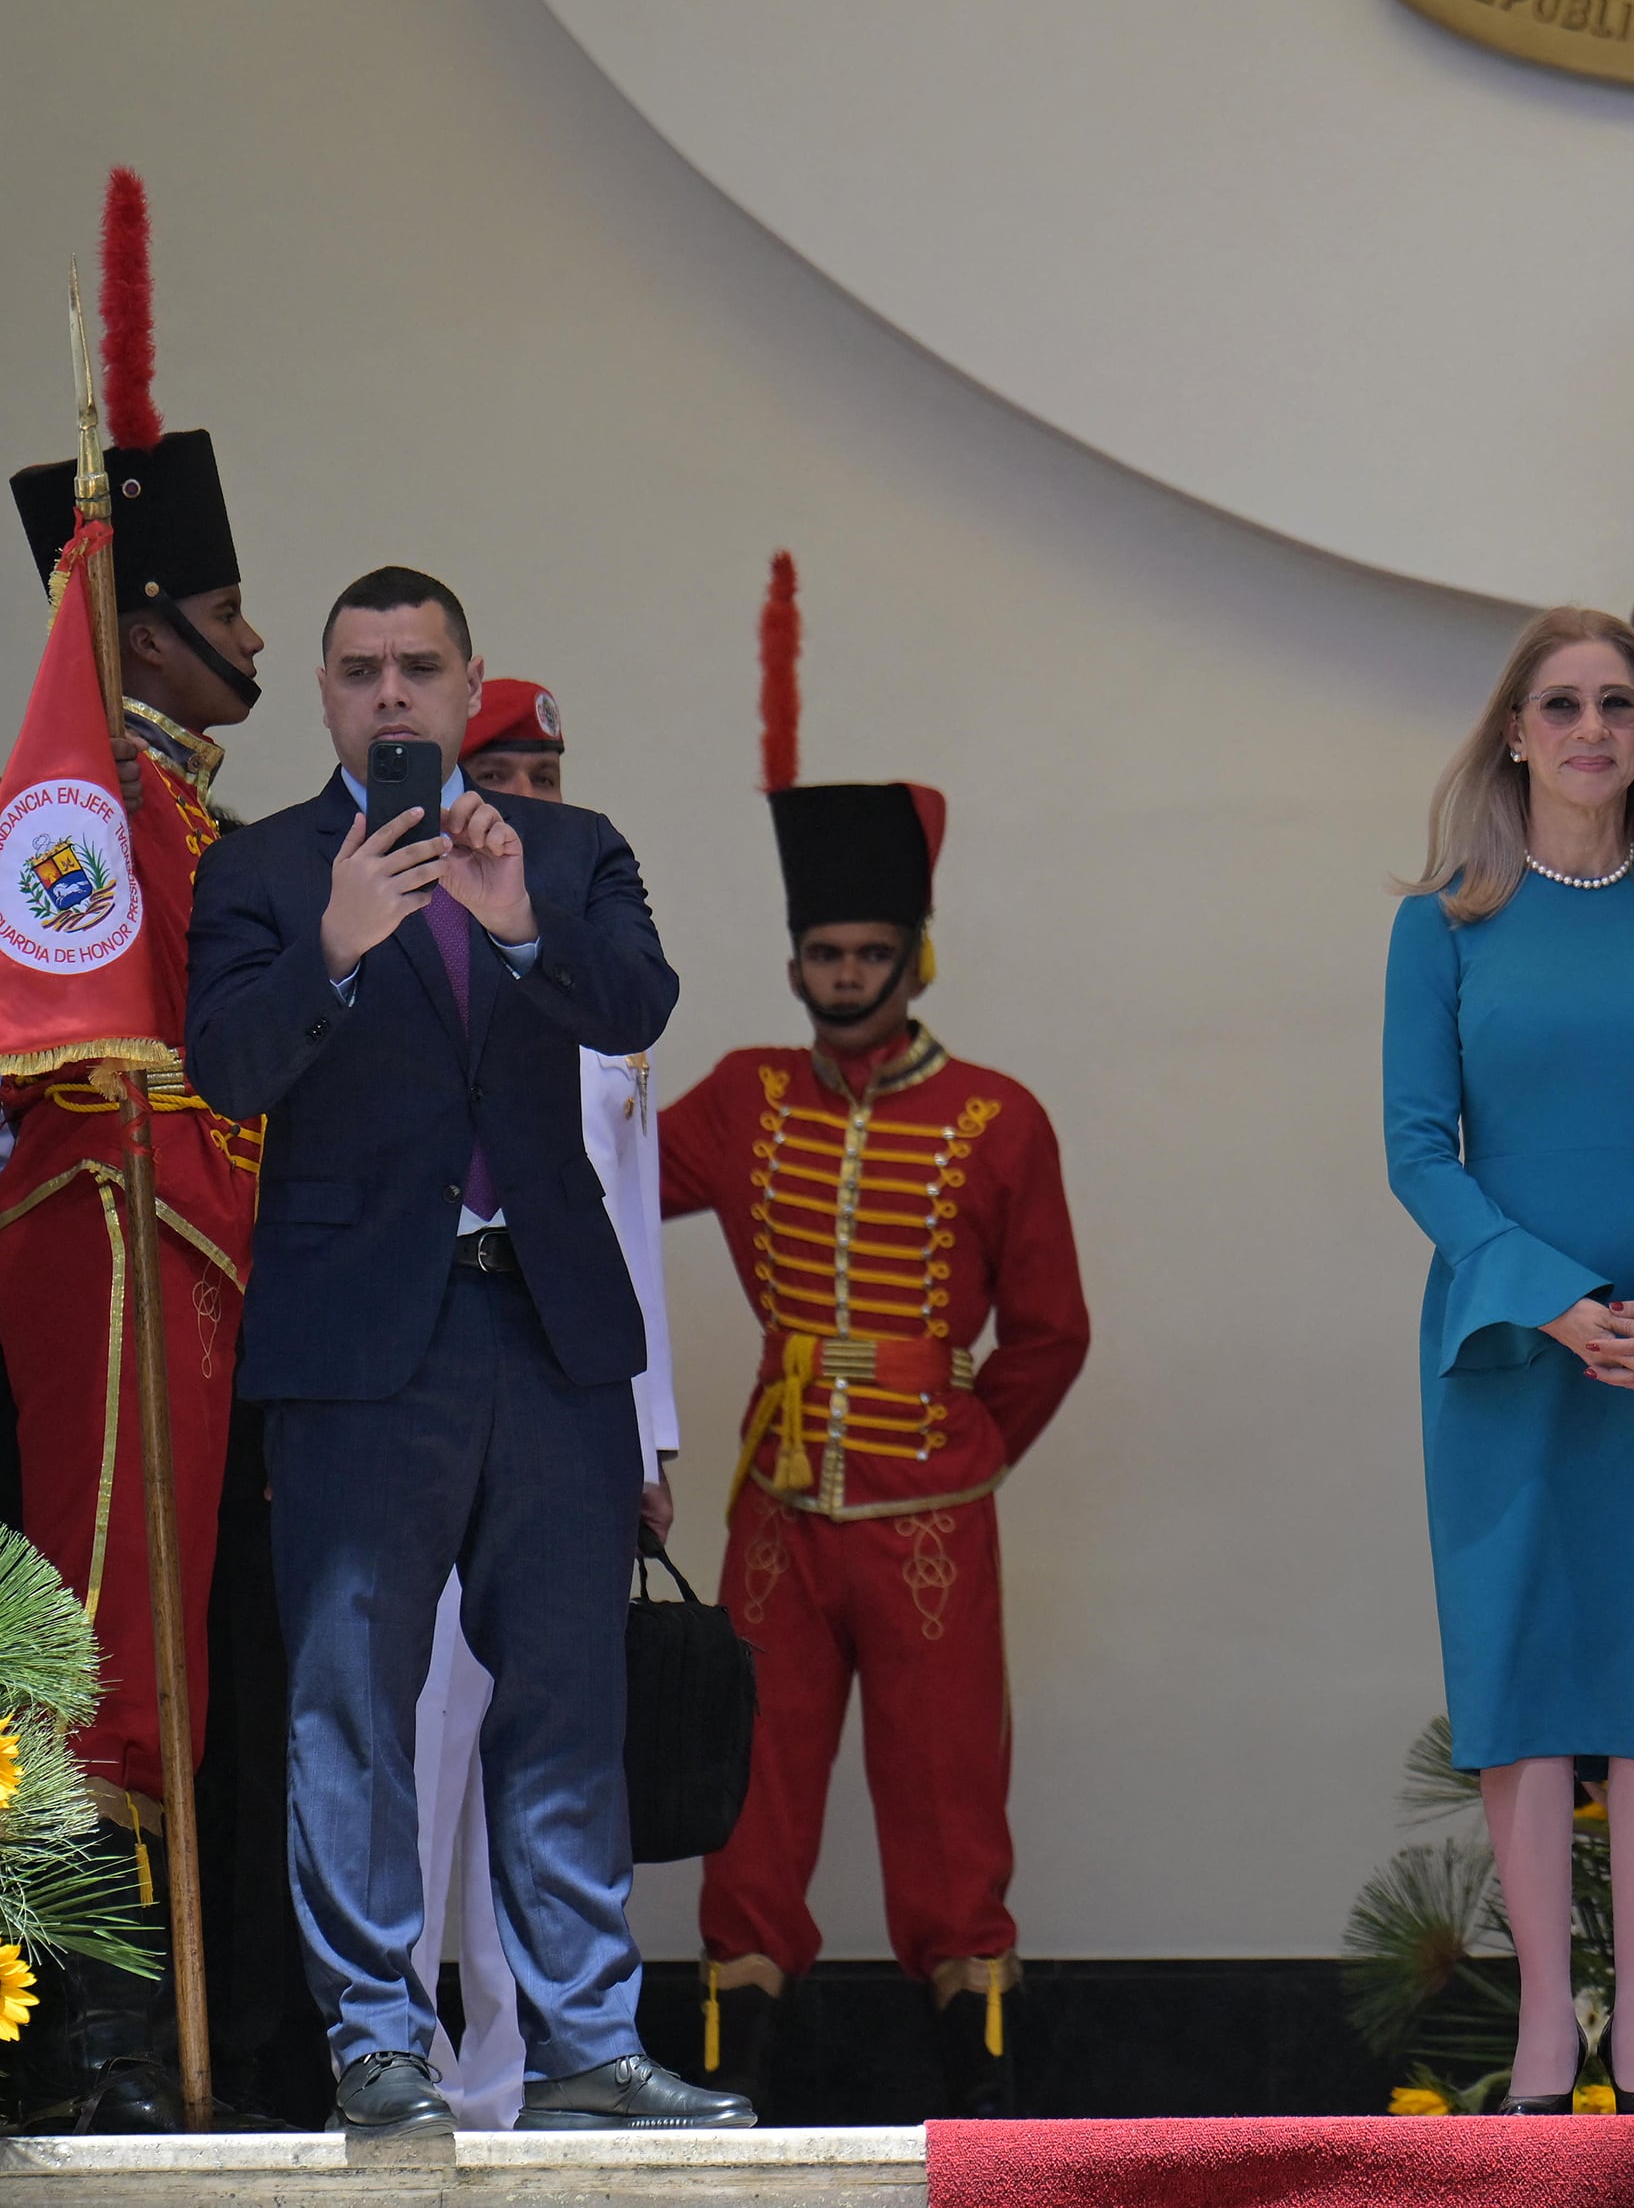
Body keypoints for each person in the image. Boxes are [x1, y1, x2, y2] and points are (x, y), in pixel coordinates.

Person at [182, 567, 741, 2136]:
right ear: (323, 690)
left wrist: (512, 927)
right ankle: (378, 2039)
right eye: (361, 669)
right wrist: (339, 948)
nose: (393, 695)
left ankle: (582, 2044)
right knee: (351, 1699)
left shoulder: (565, 849)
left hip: (547, 1328)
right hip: (362, 1344)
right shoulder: (267, 866)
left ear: (467, 676)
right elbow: (224, 1066)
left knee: (565, 1695)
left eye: (421, 666)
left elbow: (641, 997)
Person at [657, 557, 1089, 2119]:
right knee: (754, 1796)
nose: (844, 979)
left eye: (868, 955)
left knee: (948, 1797)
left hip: (928, 1514)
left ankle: (969, 2065)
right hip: (776, 1503)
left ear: (914, 956)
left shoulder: (997, 1117)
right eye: (822, 956)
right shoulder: (743, 1094)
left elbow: (1049, 1330)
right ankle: (735, 2053)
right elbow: (614, 1191)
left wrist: (966, 1438)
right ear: (795, 960)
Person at [1382, 605, 1634, 2113]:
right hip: (1511, 1348)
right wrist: (1555, 1300)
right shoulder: (1444, 924)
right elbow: (1418, 1149)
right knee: (1527, 1669)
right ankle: (1548, 2017)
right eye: (1560, 704)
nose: (1591, 730)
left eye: (1619, 704)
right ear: (1513, 730)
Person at [0, 169, 268, 2131]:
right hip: (106, 1242)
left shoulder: (190, 816)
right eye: (230, 606)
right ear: (147, 633)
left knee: (169, 1643)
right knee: (96, 1627)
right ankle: (87, 2018)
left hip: (195, 1254)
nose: (252, 634)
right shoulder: (96, 810)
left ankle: (151, 2002)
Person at [406, 677, 681, 2130]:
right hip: (427, 1395)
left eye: (551, 766)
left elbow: (625, 1224)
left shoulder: (596, 968)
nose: (534, 788)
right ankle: (405, 2056)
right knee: (419, 1742)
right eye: (505, 764)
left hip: (572, 1403)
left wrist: (651, 1433)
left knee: (554, 1752)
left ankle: (534, 2066)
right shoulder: (417, 934)